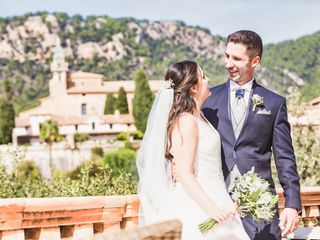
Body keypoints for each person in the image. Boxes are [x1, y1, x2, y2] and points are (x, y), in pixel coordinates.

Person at [202, 30, 301, 240]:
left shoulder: (274, 103)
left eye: (236, 58)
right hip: (216, 205)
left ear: (255, 61)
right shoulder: (207, 101)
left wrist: (292, 204)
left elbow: (284, 158)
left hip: (260, 208)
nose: (228, 63)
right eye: (227, 56)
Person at [137, 60, 250, 240]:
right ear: (194, 88)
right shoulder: (186, 121)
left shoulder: (200, 117)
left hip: (216, 191)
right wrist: (211, 209)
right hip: (197, 201)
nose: (208, 79)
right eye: (203, 77)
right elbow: (183, 172)